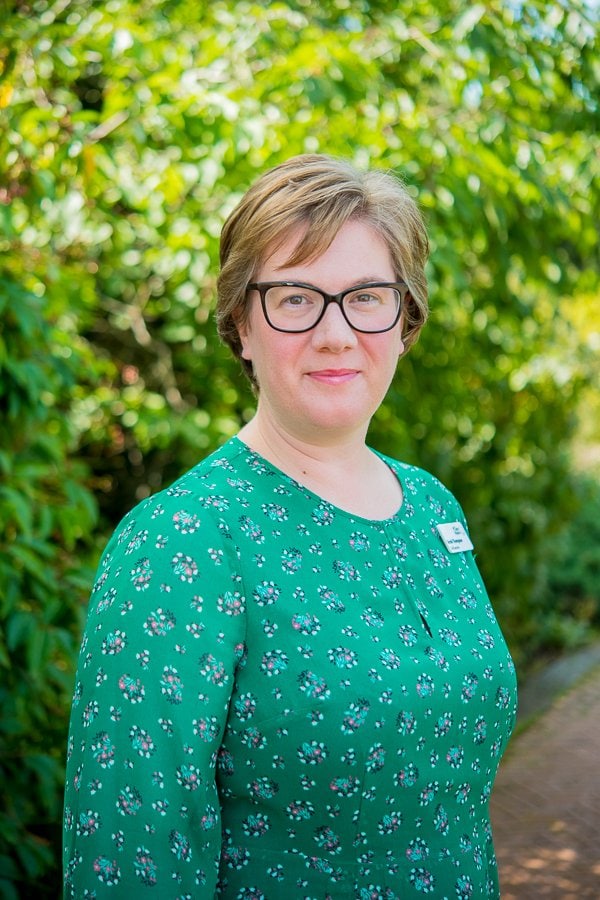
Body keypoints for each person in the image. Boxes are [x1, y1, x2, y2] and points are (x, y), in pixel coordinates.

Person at [63, 153, 517, 898]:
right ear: (242, 323)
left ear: (405, 319)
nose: (337, 334)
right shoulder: (182, 542)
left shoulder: (434, 506)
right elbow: (128, 862)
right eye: (296, 298)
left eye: (367, 296)